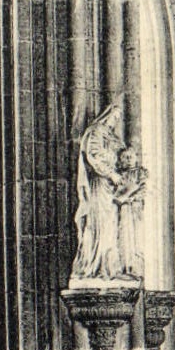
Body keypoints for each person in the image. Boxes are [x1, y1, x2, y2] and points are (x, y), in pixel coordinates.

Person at [71, 104, 124, 281]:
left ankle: (109, 266)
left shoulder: (112, 136)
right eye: (113, 116)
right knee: (100, 223)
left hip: (112, 188)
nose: (115, 120)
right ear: (106, 114)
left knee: (112, 225)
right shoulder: (96, 131)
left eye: (118, 118)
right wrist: (110, 173)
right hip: (100, 184)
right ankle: (95, 265)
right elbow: (94, 155)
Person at [114, 144, 147, 278]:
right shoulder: (119, 176)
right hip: (123, 209)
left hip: (135, 208)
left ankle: (136, 268)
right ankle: (125, 266)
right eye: (125, 157)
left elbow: (144, 189)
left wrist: (132, 197)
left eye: (130, 156)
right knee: (124, 236)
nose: (128, 159)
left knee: (137, 238)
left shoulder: (141, 172)